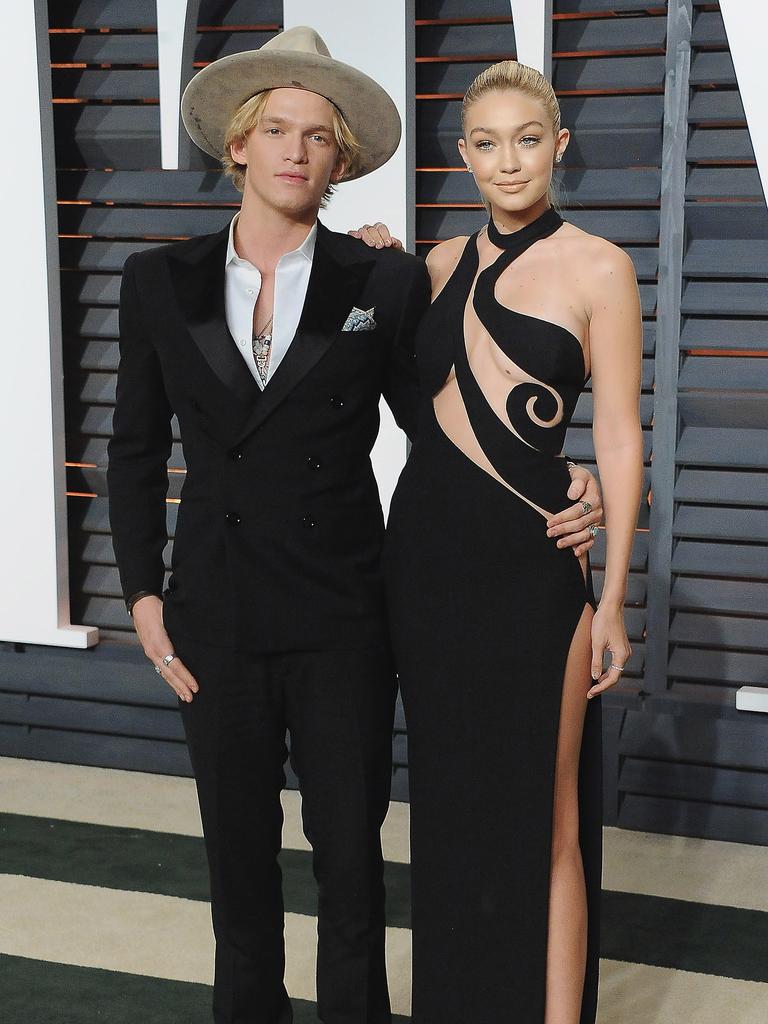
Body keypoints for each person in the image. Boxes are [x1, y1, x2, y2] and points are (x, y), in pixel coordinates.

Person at [107, 27, 604, 1024]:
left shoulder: (380, 281)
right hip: (214, 620)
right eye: (278, 129)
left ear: (341, 162)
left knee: (352, 870)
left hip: (344, 617)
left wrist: (555, 474)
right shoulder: (156, 281)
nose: (297, 150)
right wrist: (145, 597)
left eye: (319, 136)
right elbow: (130, 448)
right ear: (238, 145)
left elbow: (445, 422)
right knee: (238, 871)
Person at [365, 60, 644, 1024]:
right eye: (486, 142)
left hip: (535, 572)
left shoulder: (600, 265)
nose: (508, 159)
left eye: (529, 137)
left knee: (547, 814)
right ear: (465, 155)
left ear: (559, 145)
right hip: (426, 566)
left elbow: (617, 436)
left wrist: (609, 597)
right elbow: (404, 409)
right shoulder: (431, 267)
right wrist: (374, 269)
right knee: (447, 808)